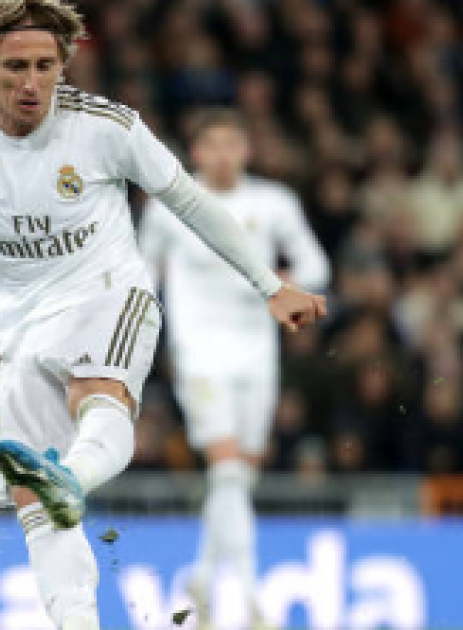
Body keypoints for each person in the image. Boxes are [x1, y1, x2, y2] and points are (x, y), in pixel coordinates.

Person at [0, 2, 327, 627]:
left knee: (95, 400)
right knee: (33, 504)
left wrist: (269, 283)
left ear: (63, 65)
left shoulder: (107, 127)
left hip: (108, 292)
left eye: (45, 66)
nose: (32, 83)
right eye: (16, 67)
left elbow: (191, 203)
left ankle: (75, 476)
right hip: (23, 328)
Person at [141, 109, 330, 628]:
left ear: (246, 150)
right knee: (225, 468)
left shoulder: (273, 203)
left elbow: (317, 266)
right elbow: (140, 273)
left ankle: (201, 581)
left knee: (236, 480)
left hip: (257, 353)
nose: (223, 155)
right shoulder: (171, 206)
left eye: (232, 144)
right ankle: (249, 599)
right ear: (195, 152)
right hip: (199, 350)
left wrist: (284, 279)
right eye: (212, 145)